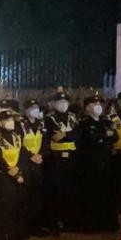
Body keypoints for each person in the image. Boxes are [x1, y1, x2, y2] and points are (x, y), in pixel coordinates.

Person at [0, 109, 28, 240]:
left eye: (11, 120)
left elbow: (23, 155)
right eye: (6, 120)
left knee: (16, 213)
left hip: (16, 177)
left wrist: (19, 170)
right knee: (1, 213)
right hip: (2, 179)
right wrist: (13, 172)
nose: (10, 122)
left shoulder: (17, 137)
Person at [76, 94, 116, 231]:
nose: (98, 107)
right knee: (92, 194)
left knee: (106, 194)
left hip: (106, 162)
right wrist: (105, 136)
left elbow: (115, 136)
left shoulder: (106, 122)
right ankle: (92, 225)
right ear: (87, 108)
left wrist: (103, 137)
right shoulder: (83, 124)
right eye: (94, 104)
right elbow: (90, 140)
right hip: (90, 164)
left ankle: (106, 223)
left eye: (99, 104)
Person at [44, 92, 80, 231]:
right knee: (57, 190)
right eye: (59, 101)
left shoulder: (73, 118)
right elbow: (52, 136)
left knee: (71, 190)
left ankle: (70, 220)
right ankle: (55, 222)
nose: (63, 104)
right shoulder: (49, 119)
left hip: (72, 157)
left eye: (65, 101)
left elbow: (78, 133)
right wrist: (69, 136)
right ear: (53, 104)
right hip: (56, 158)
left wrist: (65, 135)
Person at [20, 99, 48, 238]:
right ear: (26, 110)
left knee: (37, 196)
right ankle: (26, 227)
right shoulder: (20, 125)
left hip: (38, 164)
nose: (35, 109)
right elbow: (18, 144)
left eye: (37, 107)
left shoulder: (41, 124)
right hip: (26, 164)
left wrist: (41, 155)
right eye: (32, 107)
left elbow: (45, 142)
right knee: (26, 197)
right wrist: (31, 156)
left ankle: (36, 226)